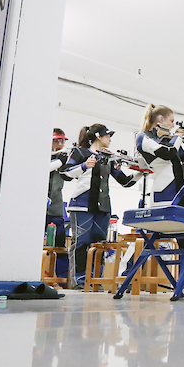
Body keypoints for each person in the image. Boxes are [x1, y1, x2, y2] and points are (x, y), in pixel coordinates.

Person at [61, 123, 137, 289]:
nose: (110, 139)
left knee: (100, 246)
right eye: (108, 136)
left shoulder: (108, 157)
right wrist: (84, 166)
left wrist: (140, 173)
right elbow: (64, 172)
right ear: (98, 136)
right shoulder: (80, 152)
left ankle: (95, 281)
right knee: (81, 243)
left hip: (103, 208)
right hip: (82, 206)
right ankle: (79, 280)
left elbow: (124, 181)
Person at [135, 105, 184, 277]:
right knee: (152, 240)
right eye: (172, 121)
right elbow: (167, 152)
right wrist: (179, 137)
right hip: (165, 194)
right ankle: (130, 274)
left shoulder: (170, 140)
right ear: (160, 119)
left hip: (183, 193)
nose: (173, 125)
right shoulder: (144, 137)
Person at [47, 128, 70, 276]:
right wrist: (58, 160)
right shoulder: (42, 157)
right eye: (57, 140)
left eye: (62, 141)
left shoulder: (64, 161)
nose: (60, 144)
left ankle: (62, 278)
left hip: (56, 209)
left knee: (60, 246)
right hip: (38, 209)